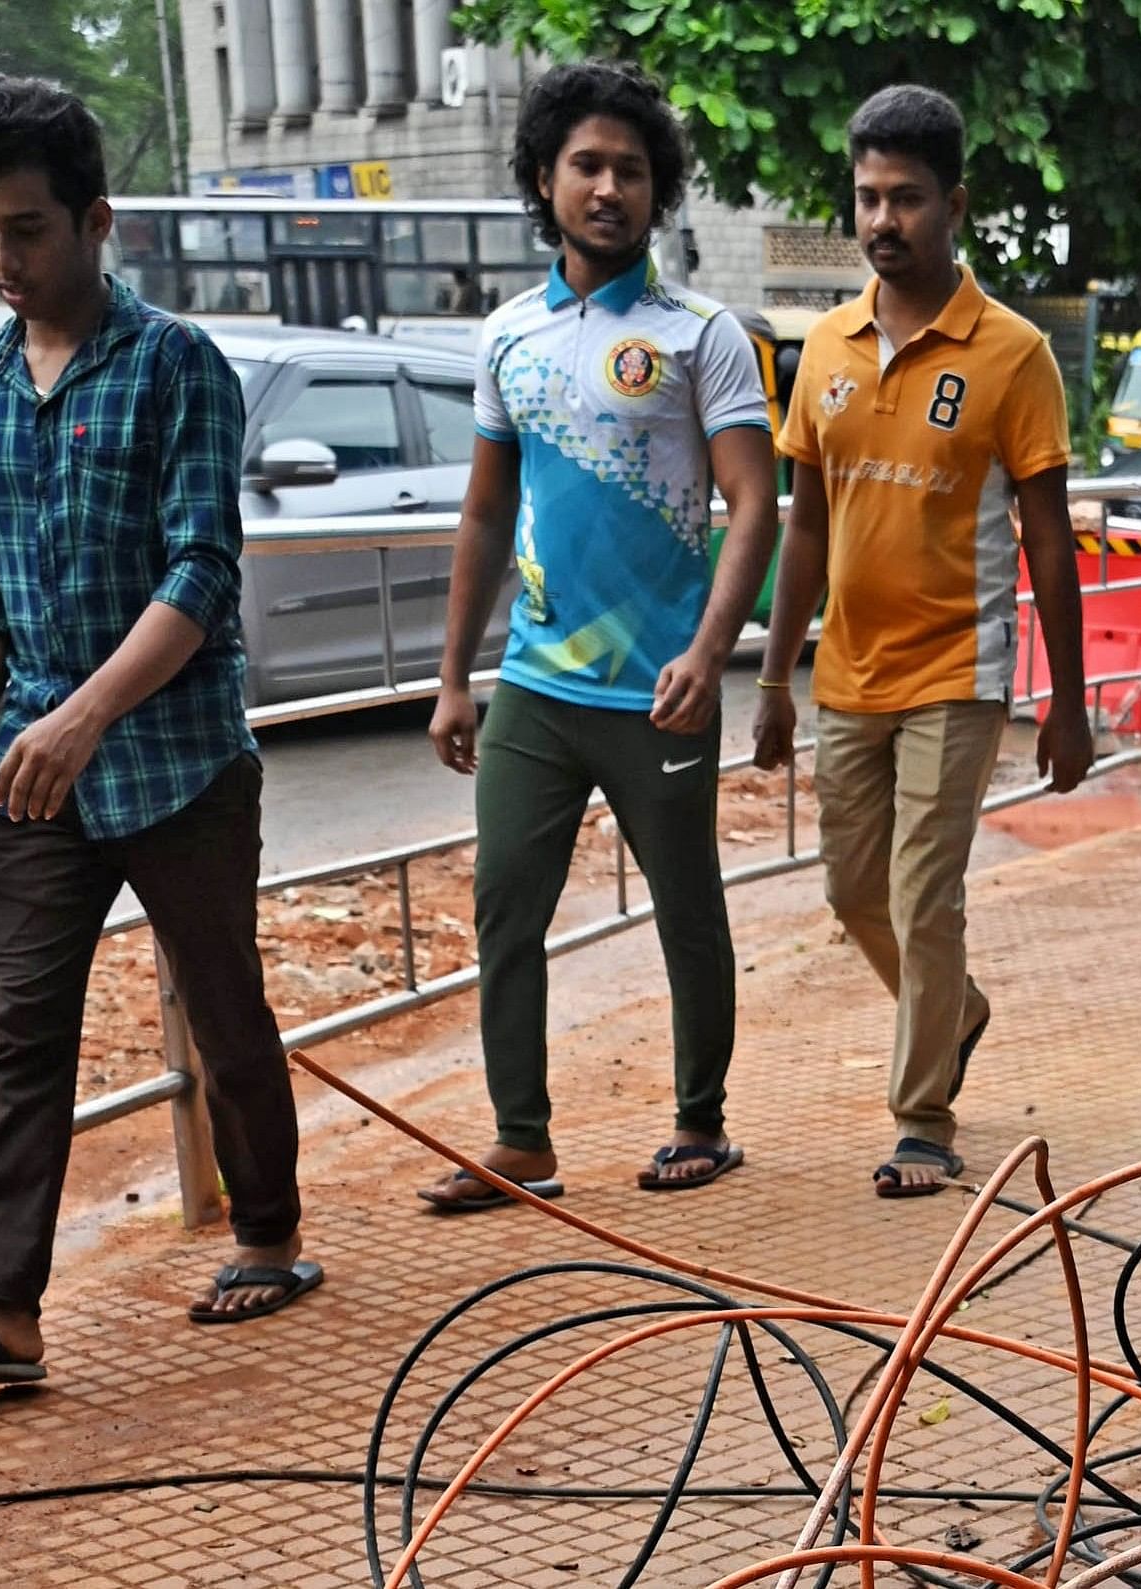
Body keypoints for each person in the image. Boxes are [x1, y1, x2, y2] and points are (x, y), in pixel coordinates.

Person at [0, 77, 316, 1386]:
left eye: (26, 229)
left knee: (223, 1005)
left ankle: (266, 1233)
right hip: (32, 765)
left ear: (94, 222)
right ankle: (4, 1311)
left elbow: (200, 576)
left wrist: (86, 714)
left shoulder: (177, 364)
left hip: (177, 758)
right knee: (25, 1028)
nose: (2, 260)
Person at [420, 61, 779, 1206]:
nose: (608, 187)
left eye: (630, 168)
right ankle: (520, 1138)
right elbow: (484, 510)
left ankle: (699, 1120)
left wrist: (712, 649)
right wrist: (453, 679)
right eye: (586, 165)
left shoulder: (700, 334)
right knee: (504, 904)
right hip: (534, 681)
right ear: (545, 179)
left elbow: (752, 503)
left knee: (686, 904)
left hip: (662, 686)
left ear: (657, 188)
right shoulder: (507, 337)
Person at [752, 84, 1093, 1199]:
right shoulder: (825, 352)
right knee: (849, 893)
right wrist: (772, 674)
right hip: (849, 672)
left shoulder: (1012, 354)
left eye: (904, 198)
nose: (881, 220)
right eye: (865, 198)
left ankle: (922, 1115)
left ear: (954, 204)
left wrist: (1069, 700)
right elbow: (804, 525)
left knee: (920, 896)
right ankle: (959, 1010)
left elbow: (1046, 537)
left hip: (960, 669)